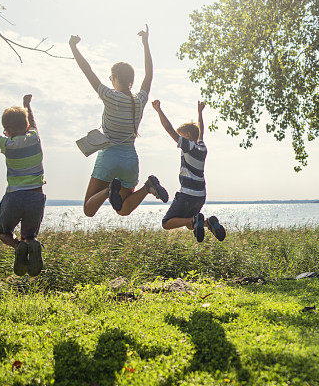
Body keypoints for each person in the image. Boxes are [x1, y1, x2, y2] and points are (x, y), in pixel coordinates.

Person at [69, 25, 168, 218]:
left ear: (114, 79)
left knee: (89, 210)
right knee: (122, 209)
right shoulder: (139, 100)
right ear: (132, 80)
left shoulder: (109, 96)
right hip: (130, 159)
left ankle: (108, 191)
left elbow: (87, 70)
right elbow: (149, 75)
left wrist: (73, 47)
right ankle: (148, 187)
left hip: (109, 157)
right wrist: (146, 43)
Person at [0, 91, 45, 276]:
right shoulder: (34, 138)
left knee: (4, 232)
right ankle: (28, 244)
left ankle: (18, 246)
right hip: (35, 196)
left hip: (14, 197)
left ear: (7, 130)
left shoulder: (7, 144)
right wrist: (27, 105)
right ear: (27, 126)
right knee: (30, 235)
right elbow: (33, 123)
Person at [152, 99, 226, 242]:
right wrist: (200, 113)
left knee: (166, 223)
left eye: (181, 135)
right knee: (191, 224)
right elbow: (201, 131)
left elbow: (169, 129)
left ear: (186, 135)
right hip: (201, 196)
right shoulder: (202, 147)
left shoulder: (188, 146)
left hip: (187, 195)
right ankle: (209, 223)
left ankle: (196, 219)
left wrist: (159, 110)